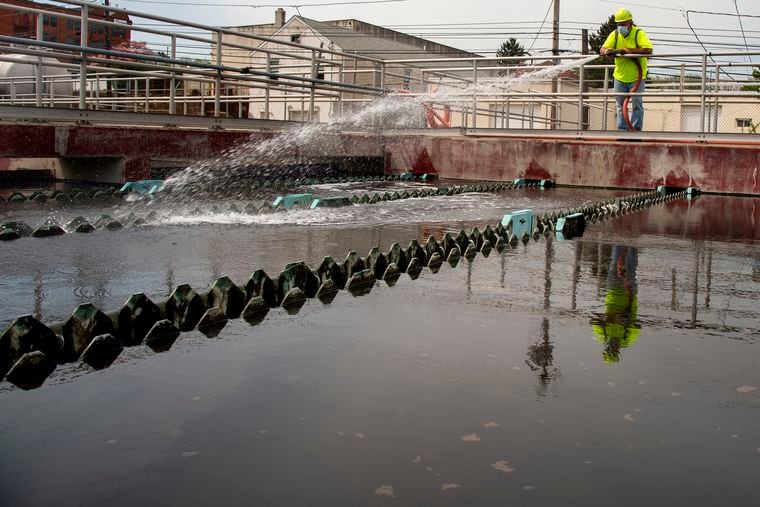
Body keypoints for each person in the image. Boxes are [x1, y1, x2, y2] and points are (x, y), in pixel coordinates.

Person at [600, 8, 653, 131]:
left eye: (623, 24)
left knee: (637, 105)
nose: (620, 27)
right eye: (619, 24)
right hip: (620, 77)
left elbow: (648, 50)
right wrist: (607, 51)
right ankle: (622, 131)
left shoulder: (638, 33)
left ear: (630, 22)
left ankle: (635, 131)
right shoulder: (615, 35)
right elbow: (602, 49)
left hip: (636, 77)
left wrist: (629, 51)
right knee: (620, 106)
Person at [591, 245, 641, 363]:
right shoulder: (626, 339)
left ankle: (620, 239)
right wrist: (626, 321)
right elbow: (638, 326)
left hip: (612, 290)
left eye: (609, 348)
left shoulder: (603, 335)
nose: (612, 345)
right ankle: (633, 241)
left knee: (615, 262)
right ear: (618, 351)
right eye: (613, 349)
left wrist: (607, 320)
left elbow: (593, 321)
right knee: (631, 267)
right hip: (629, 295)